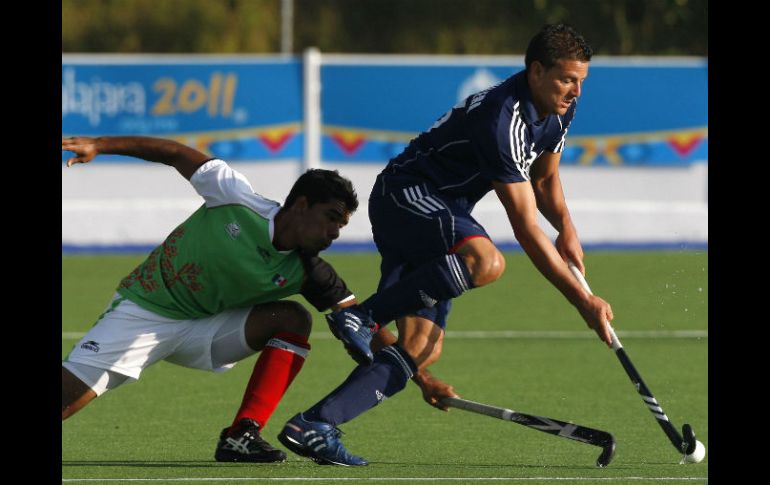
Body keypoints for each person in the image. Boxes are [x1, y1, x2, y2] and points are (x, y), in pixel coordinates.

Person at [276, 23, 615, 466]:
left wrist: (567, 227)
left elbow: (546, 179)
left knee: (420, 349)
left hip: (444, 210)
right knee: (485, 261)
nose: (576, 92)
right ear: (536, 71)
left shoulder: (558, 111)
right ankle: (363, 316)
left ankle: (314, 425)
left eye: (581, 81)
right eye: (567, 79)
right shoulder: (501, 117)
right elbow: (526, 228)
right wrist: (582, 304)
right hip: (406, 194)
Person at [61, 135, 389, 463]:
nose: (335, 232)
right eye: (331, 218)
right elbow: (175, 153)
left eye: (342, 225)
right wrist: (99, 145)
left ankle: (241, 436)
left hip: (207, 329)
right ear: (301, 205)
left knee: (293, 319)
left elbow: (362, 321)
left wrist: (415, 371)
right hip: (144, 312)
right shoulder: (234, 196)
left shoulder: (310, 271)